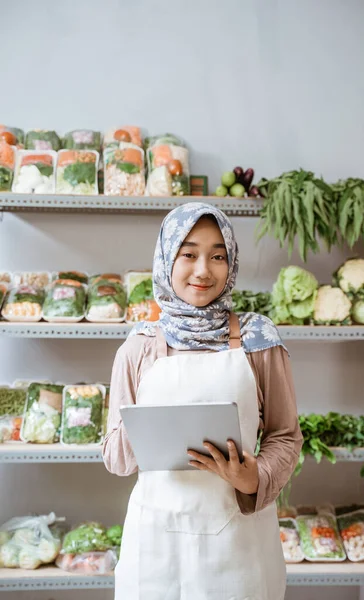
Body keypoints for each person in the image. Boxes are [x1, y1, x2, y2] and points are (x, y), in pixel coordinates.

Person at [103, 202, 303, 600]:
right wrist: (148, 423)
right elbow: (115, 458)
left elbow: (285, 435)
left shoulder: (258, 339)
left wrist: (254, 478)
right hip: (155, 543)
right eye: (188, 254)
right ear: (166, 259)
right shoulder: (139, 346)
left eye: (217, 256)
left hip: (238, 541)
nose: (203, 270)